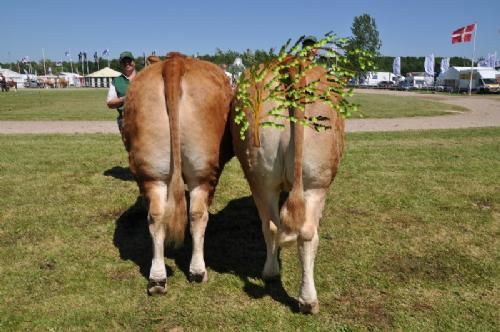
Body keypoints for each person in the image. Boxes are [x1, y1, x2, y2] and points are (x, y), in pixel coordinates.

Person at [106, 51, 137, 133]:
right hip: (125, 119)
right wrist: (124, 98)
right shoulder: (116, 81)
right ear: (121, 64)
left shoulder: (144, 77)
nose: (127, 64)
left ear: (134, 62)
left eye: (129, 61)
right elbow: (109, 103)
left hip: (144, 118)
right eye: (124, 62)